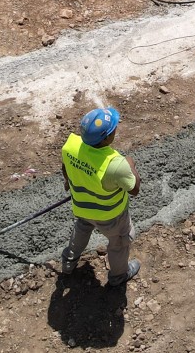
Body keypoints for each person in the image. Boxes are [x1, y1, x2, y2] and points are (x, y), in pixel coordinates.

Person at [60, 106, 142, 286]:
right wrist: (130, 164)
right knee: (119, 242)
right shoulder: (115, 164)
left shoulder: (71, 145)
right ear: (106, 138)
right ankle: (119, 276)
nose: (116, 130)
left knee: (82, 227)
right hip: (111, 216)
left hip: (82, 207)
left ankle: (68, 262)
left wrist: (68, 182)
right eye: (114, 129)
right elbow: (134, 189)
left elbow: (65, 167)